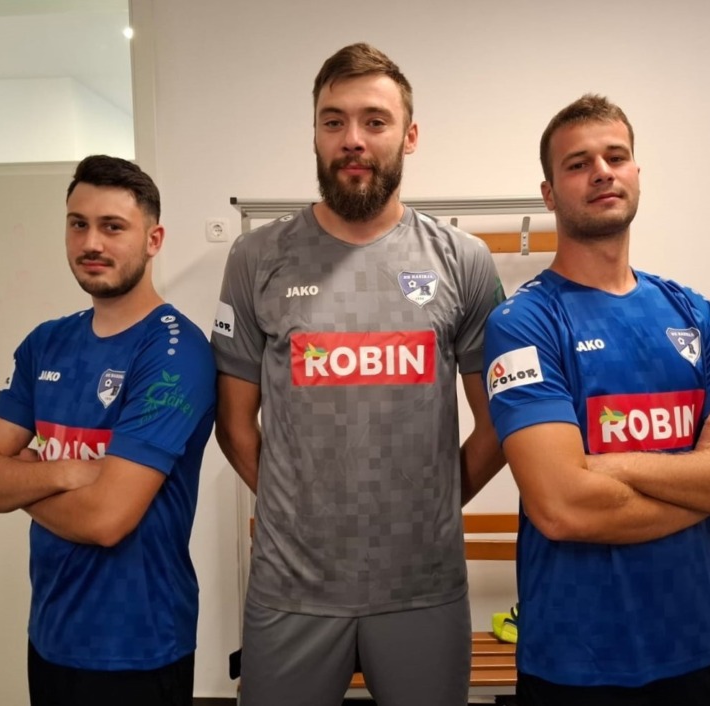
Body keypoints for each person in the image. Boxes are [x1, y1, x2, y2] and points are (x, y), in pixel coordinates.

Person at [211, 43, 507, 706]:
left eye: (374, 121)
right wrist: (297, 512)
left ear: (409, 135)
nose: (352, 138)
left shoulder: (463, 260)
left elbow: (498, 424)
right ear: (314, 134)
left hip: (422, 586)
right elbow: (233, 424)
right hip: (292, 587)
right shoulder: (256, 257)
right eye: (333, 121)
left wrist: (431, 506)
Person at [483, 94, 710, 706]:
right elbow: (563, 508)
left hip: (698, 649)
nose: (602, 172)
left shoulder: (694, 313)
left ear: (636, 173)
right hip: (574, 661)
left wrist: (607, 466)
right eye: (578, 164)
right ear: (549, 193)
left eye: (615, 156)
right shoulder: (523, 324)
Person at [0, 155, 216, 706]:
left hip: (139, 646)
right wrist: (70, 472)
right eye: (79, 224)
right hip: (50, 635)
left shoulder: (175, 352)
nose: (91, 242)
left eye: (112, 227)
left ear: (153, 239)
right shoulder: (46, 343)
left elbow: (105, 520)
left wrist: (21, 479)